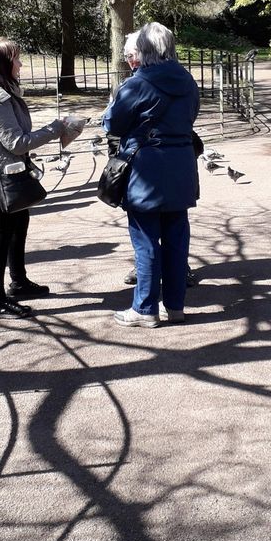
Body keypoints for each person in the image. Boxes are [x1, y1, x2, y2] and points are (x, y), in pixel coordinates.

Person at [0, 39, 71, 319]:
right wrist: (55, 129)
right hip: (0, 175)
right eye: (17, 59)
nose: (21, 64)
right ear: (3, 64)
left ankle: (18, 281)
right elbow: (16, 142)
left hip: (6, 171)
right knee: (0, 236)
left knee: (19, 224)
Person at [104, 22, 200, 328]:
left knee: (145, 241)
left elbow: (113, 126)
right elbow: (192, 115)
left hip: (146, 167)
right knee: (176, 238)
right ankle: (175, 306)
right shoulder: (187, 80)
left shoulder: (137, 83)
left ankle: (145, 308)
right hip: (181, 165)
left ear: (143, 50)